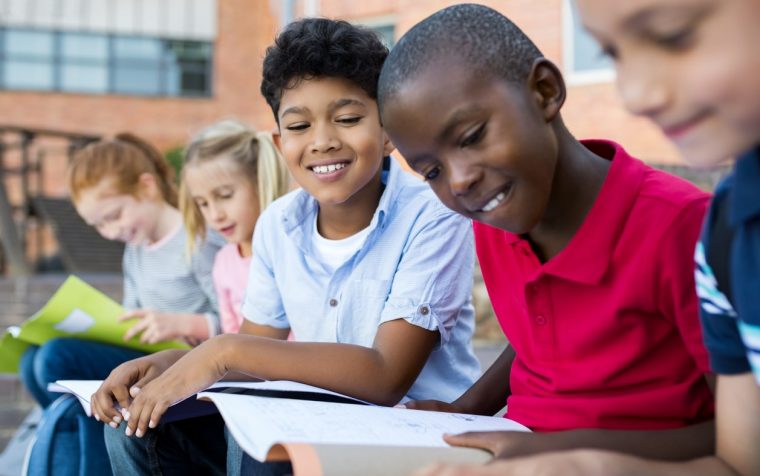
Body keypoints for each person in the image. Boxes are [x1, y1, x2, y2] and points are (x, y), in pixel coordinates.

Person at [93, 18, 481, 475]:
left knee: (269, 446)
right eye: (299, 125)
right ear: (281, 143)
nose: (322, 141)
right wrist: (171, 364)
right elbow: (257, 349)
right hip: (320, 419)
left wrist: (220, 351)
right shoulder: (279, 223)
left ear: (389, 129)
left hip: (411, 432)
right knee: (137, 425)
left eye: (348, 119)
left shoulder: (432, 214)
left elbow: (385, 376)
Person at [411, 1, 760, 474]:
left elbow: (735, 445)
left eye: (674, 35)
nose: (634, 94)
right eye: (610, 53)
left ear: (545, 91)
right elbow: (538, 337)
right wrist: (467, 409)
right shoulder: (496, 218)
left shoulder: (689, 228)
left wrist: (569, 456)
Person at [20, 133, 223, 474]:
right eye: (97, 224)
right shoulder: (136, 251)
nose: (109, 231)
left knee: (56, 358)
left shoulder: (198, 239)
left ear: (147, 187)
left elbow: (239, 321)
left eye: (113, 216)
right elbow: (131, 314)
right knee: (31, 361)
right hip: (143, 355)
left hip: (183, 359)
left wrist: (184, 323)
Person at [180, 120, 289, 334]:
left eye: (224, 196)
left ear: (261, 182)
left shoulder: (290, 252)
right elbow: (230, 333)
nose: (214, 215)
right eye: (203, 203)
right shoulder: (223, 262)